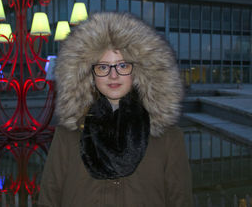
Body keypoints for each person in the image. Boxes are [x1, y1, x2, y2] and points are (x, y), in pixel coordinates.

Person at [38, 12, 193, 206]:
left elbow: (180, 200)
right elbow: (49, 197)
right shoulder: (68, 135)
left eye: (122, 65)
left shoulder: (167, 137)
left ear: (138, 70)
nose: (113, 75)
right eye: (103, 67)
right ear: (89, 74)